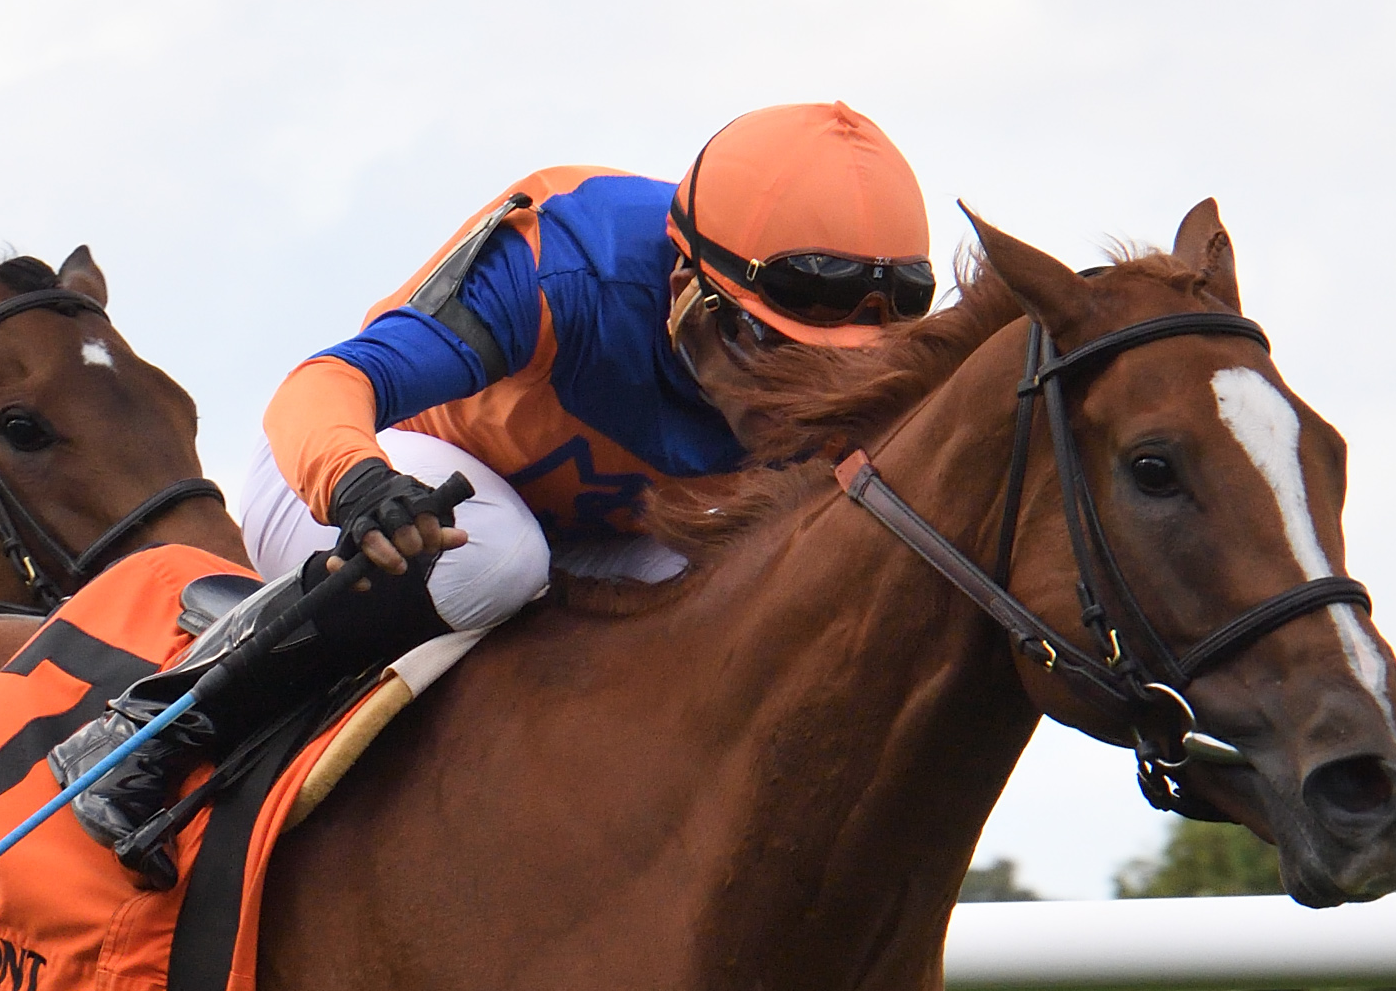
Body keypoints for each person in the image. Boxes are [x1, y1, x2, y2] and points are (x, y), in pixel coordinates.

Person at [61, 102, 933, 880]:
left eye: (835, 366)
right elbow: (322, 386)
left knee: (738, 580)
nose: (803, 397)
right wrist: (359, 482)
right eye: (770, 346)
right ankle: (158, 724)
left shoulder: (870, 367)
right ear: (685, 286)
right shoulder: (563, 261)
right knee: (501, 554)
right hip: (377, 497)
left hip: (585, 536)